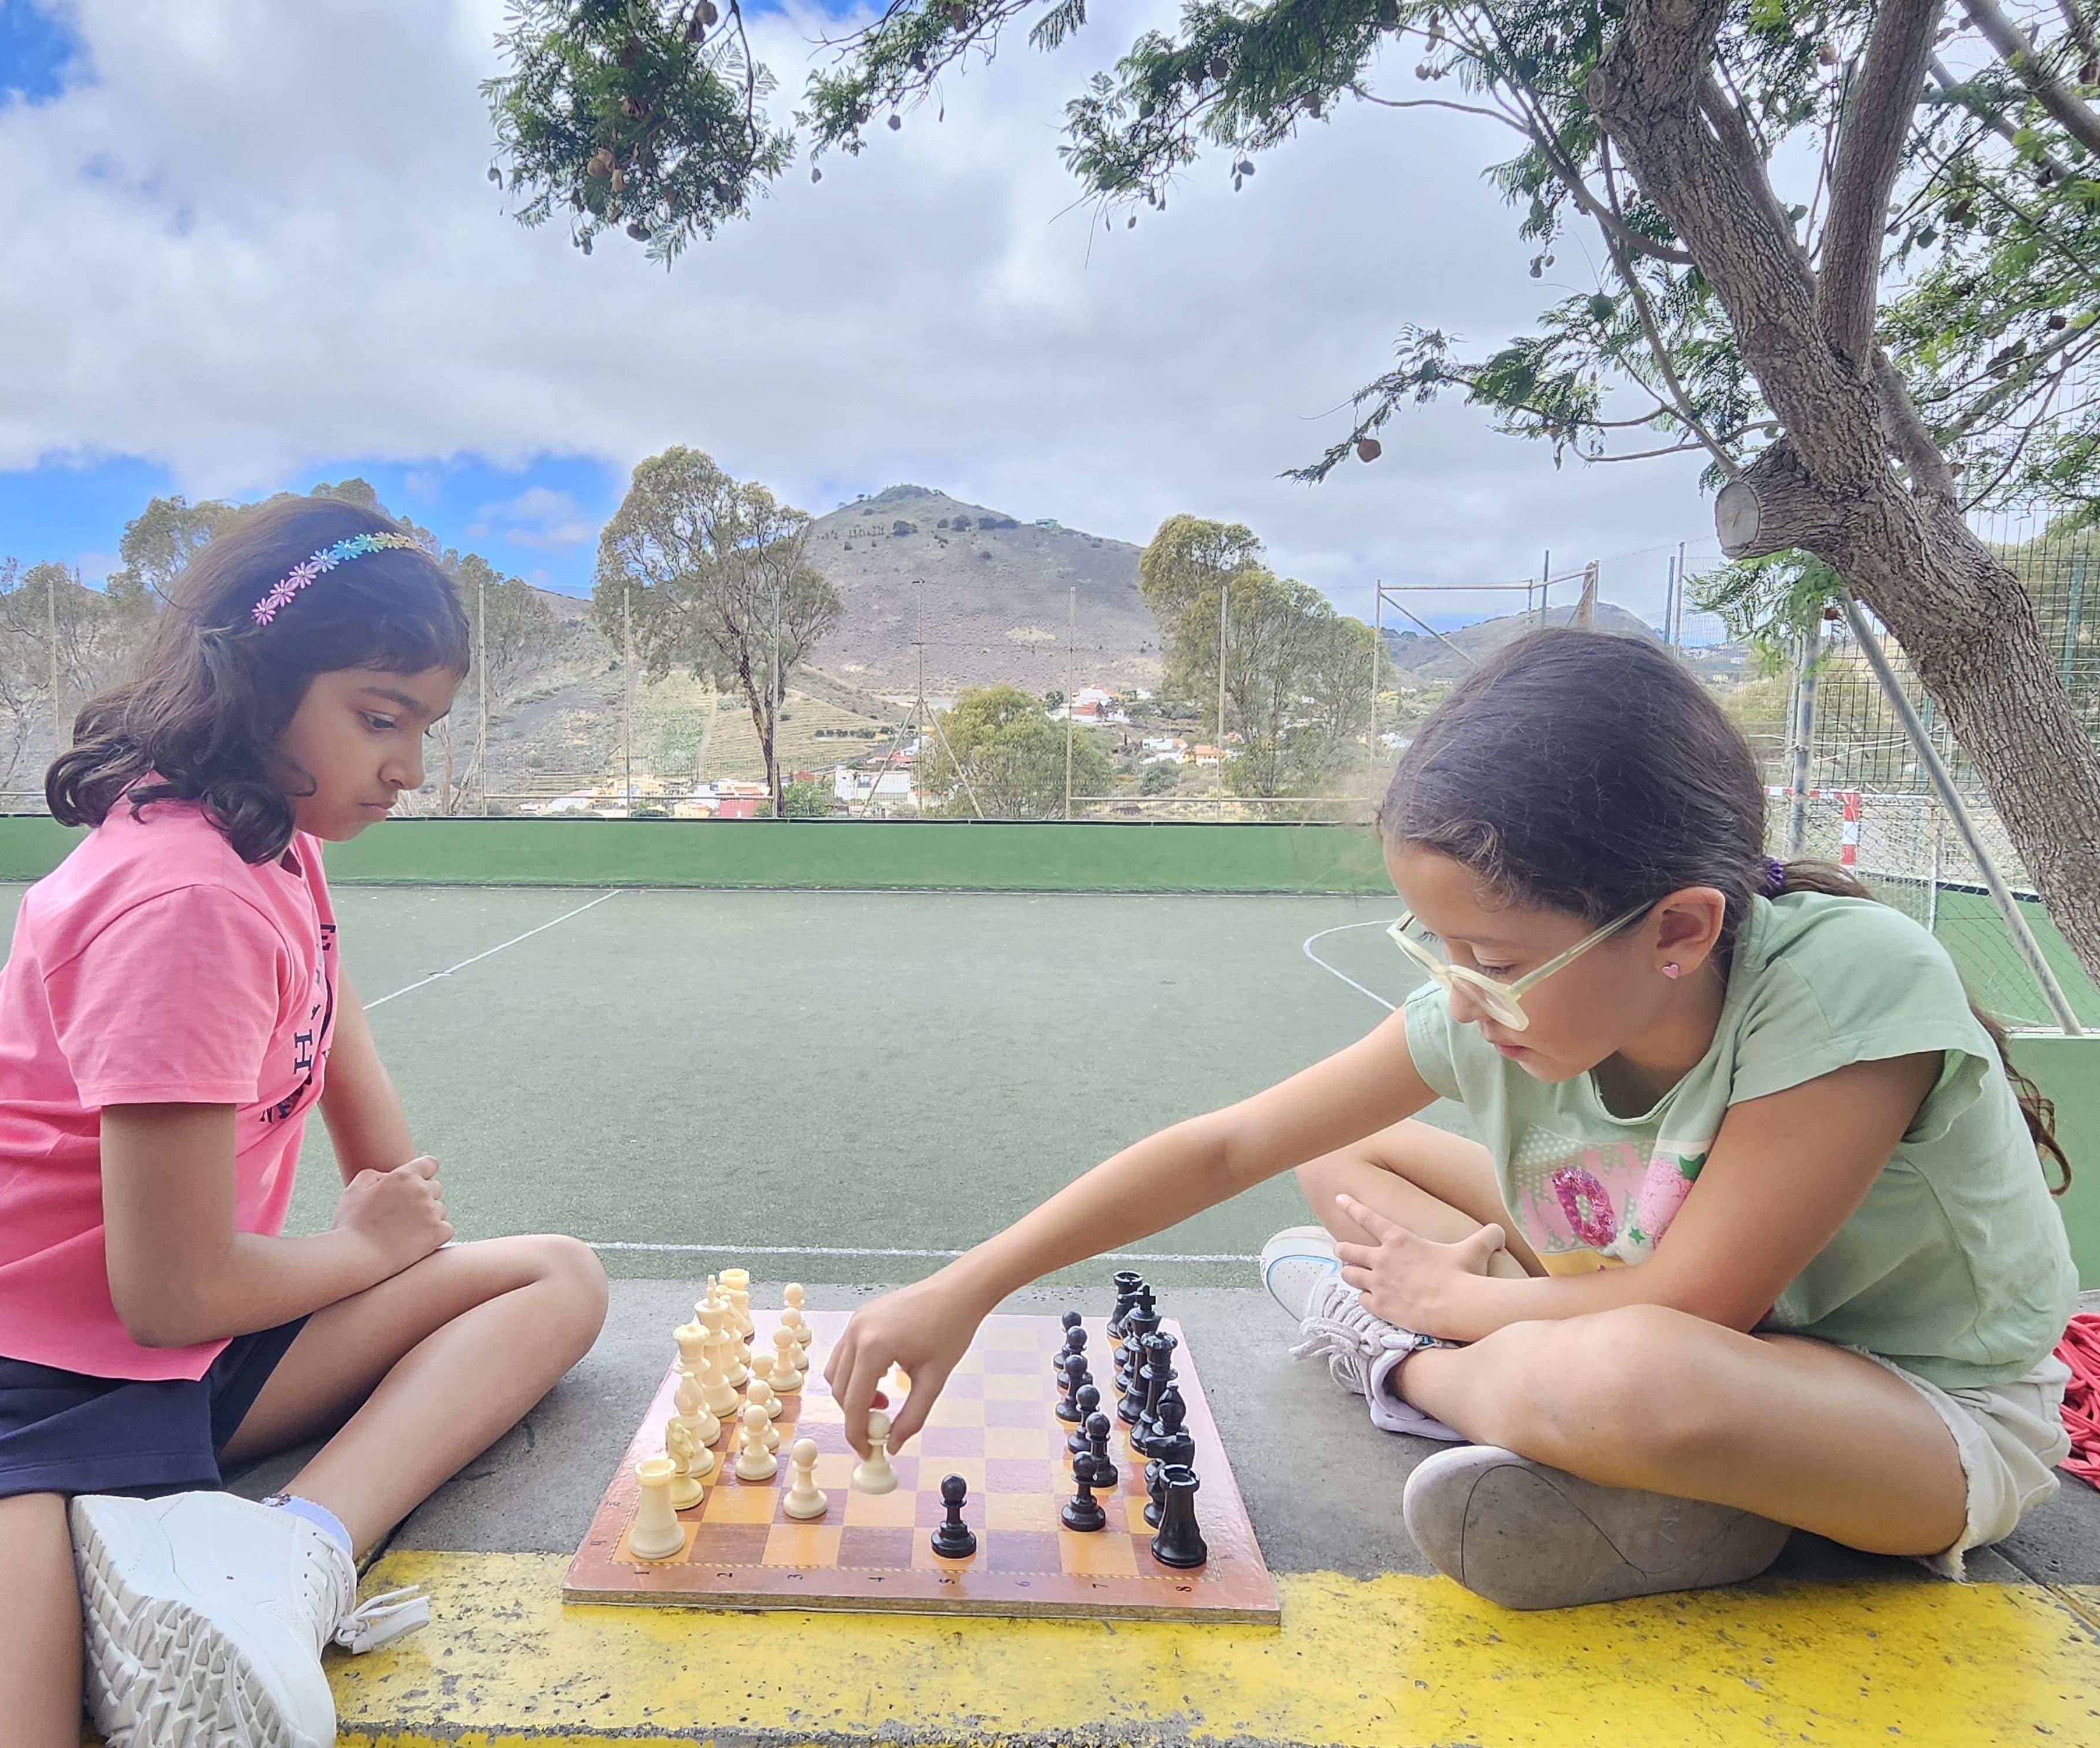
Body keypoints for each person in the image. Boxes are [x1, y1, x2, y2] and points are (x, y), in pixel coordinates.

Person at [827, 627, 2077, 1610]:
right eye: (1436, 947)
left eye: (1493, 958)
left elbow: (1697, 1304)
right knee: (1341, 1153)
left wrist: (1444, 1305)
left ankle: (1396, 1362)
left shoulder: (1849, 980)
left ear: (1678, 930)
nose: (1459, 996)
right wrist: (968, 1285)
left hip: (1914, 1413)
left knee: (1632, 1375)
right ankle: (1684, 1503)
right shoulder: (1510, 1005)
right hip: (1648, 1308)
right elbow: (1231, 1143)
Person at [0, 495, 610, 1748]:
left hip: (161, 1367)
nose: (409, 769)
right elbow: (174, 1288)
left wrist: (388, 1235)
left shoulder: (276, 852)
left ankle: (291, 1555)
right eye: (378, 718)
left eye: (422, 727)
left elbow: (356, 1101)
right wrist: (364, 1250)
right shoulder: (185, 893)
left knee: (551, 1279)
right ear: (255, 682)